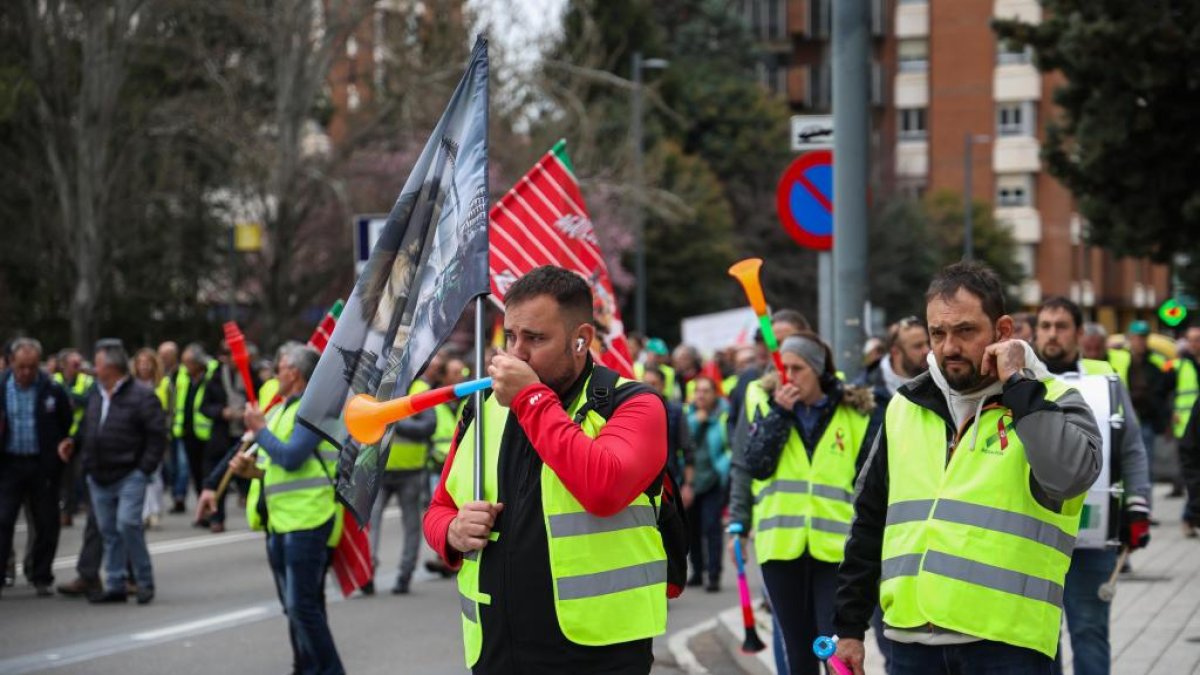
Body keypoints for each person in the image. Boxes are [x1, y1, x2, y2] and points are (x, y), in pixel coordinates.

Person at [833, 262, 1102, 674]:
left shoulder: (1053, 398)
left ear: (1003, 331)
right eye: (937, 333)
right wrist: (849, 628)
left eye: (965, 331)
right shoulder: (906, 406)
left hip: (1006, 644)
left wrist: (1020, 389)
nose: (948, 347)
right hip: (910, 641)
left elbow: (1069, 476)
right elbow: (870, 520)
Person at [424, 265, 669, 674]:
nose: (517, 353)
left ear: (582, 339)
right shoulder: (481, 410)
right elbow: (438, 509)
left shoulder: (635, 404)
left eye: (535, 339)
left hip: (598, 653)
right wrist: (451, 531)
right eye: (511, 337)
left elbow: (603, 489)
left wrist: (531, 399)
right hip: (496, 647)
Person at [732, 333, 875, 674]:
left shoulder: (853, 413)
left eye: (798, 369)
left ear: (819, 370)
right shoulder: (769, 407)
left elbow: (868, 483)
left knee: (833, 647)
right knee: (798, 648)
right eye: (785, 369)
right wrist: (780, 414)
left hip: (835, 549)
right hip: (781, 547)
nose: (789, 377)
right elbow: (756, 465)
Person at [1034, 297, 1152, 675]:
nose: (1052, 334)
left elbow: (1131, 447)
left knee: (1089, 632)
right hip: (1034, 537)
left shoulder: (1105, 382)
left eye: (1061, 326)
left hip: (1092, 535)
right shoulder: (1017, 382)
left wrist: (1138, 505)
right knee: (1038, 639)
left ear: (1079, 333)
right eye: (1046, 326)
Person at [216, 344, 345, 674]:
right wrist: (253, 470)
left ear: (296, 374)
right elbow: (281, 466)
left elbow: (291, 456)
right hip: (282, 520)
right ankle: (304, 668)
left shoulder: (315, 410)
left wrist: (260, 431)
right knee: (298, 608)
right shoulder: (287, 409)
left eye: (280, 366)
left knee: (302, 607)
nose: (274, 372)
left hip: (308, 519)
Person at [59, 342, 165, 604]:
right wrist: (74, 441)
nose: (93, 369)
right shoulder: (97, 393)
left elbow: (157, 436)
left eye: (97, 364)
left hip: (129, 473)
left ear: (111, 368)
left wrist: (143, 470)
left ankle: (143, 580)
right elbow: (88, 425)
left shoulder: (141, 395)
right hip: (98, 475)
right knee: (108, 531)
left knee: (128, 524)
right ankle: (116, 583)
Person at [0, 338, 72, 597]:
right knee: (3, 520)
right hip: (8, 464)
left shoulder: (51, 389)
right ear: (11, 364)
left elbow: (66, 421)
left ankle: (40, 574)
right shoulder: (1, 387)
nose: (26, 373)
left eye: (31, 367)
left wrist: (59, 451)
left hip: (42, 465)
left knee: (46, 522)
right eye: (21, 367)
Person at [368, 361, 437, 596]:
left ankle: (404, 575)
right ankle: (367, 572)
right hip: (381, 471)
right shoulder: (380, 390)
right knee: (369, 523)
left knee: (411, 527)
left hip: (411, 473)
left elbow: (428, 427)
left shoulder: (420, 390)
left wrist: (396, 420)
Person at [684, 376, 730, 593]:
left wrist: (724, 466)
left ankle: (713, 574)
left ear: (715, 394)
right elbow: (684, 442)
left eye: (706, 391)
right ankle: (697, 571)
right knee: (692, 528)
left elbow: (729, 445)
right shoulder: (688, 415)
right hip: (691, 480)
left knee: (711, 528)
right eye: (698, 391)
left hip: (713, 479)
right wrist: (696, 421)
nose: (701, 395)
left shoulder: (723, 416)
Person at [176, 343, 226, 532]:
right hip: (188, 433)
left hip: (209, 434)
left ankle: (214, 514)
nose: (186, 366)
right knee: (196, 475)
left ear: (198, 363)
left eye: (189, 363)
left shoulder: (212, 374)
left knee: (210, 475)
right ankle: (202, 511)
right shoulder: (184, 376)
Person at [1125, 321, 1171, 490]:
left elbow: (1162, 393)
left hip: (1146, 421)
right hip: (1124, 421)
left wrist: (1165, 420)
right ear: (1130, 338)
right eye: (1137, 338)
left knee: (1145, 468)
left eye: (1144, 338)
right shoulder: (1122, 359)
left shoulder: (1155, 363)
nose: (1140, 342)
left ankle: (1144, 511)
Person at [54, 348, 93, 527]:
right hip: (61, 435)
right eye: (74, 364)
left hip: (83, 434)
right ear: (63, 365)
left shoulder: (87, 380)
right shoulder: (54, 380)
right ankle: (66, 511)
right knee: (65, 478)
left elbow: (89, 400)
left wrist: (67, 395)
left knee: (83, 474)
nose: (78, 367)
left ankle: (90, 509)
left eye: (80, 364)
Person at [641, 365, 692, 495]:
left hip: (669, 480)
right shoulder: (632, 410)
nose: (649, 388)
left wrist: (688, 486)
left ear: (663, 386)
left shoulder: (676, 411)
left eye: (654, 384)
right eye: (645, 383)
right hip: (640, 482)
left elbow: (688, 450)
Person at [133, 348, 167, 529]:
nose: (144, 366)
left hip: (157, 434)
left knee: (155, 475)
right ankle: (144, 512)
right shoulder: (132, 386)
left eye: (148, 363)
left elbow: (170, 410)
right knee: (140, 474)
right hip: (138, 436)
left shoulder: (163, 384)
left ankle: (154, 510)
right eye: (141, 363)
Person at [157, 341, 189, 514]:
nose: (162, 359)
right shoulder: (160, 375)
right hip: (168, 427)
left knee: (183, 464)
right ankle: (175, 493)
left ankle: (179, 496)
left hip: (183, 427)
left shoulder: (183, 373)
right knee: (171, 465)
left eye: (165, 356)